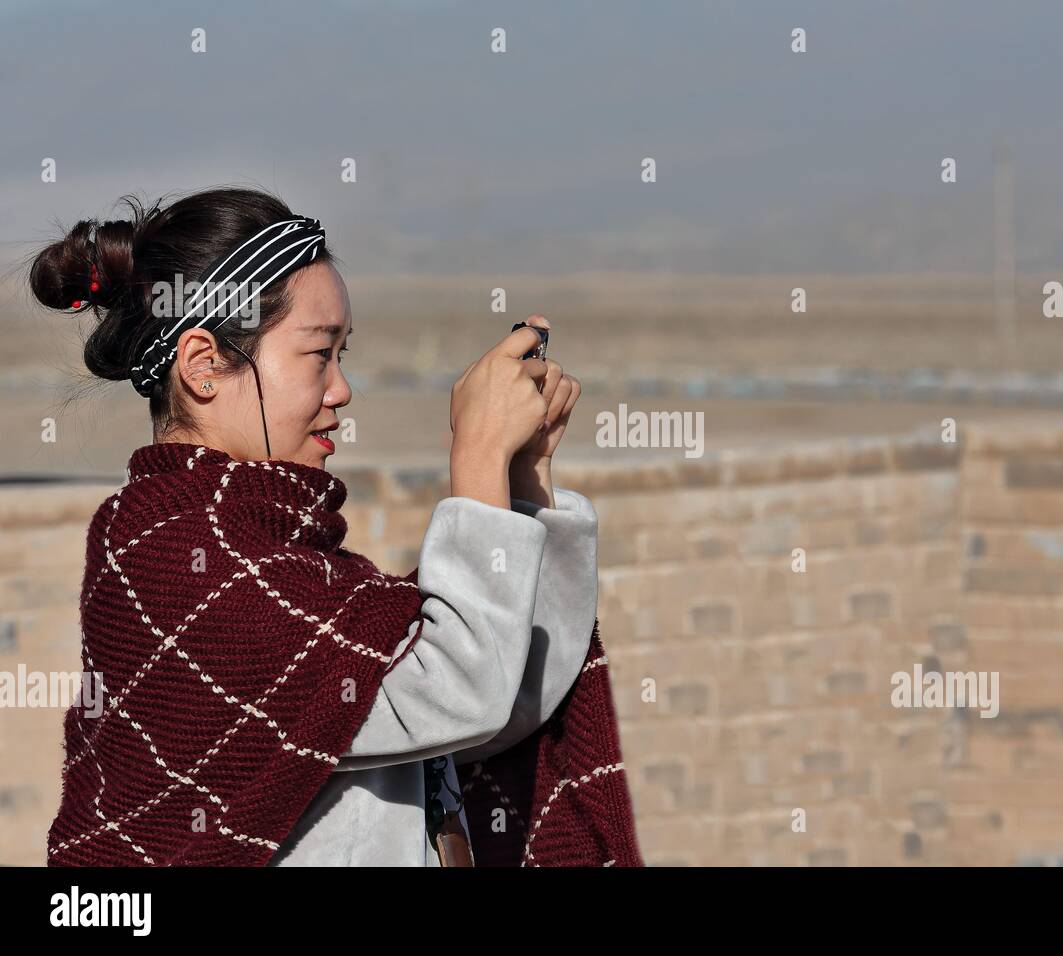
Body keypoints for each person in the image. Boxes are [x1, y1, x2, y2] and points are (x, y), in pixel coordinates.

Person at [34, 187, 643, 866]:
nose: (341, 390)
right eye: (318, 354)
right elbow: (457, 687)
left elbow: (505, 702)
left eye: (342, 356)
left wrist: (523, 482)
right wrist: (475, 458)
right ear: (205, 367)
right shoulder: (170, 550)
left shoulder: (297, 565)